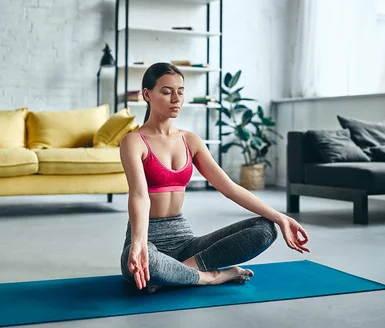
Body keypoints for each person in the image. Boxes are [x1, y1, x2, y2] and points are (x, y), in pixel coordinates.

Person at [119, 62, 310, 293]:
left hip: (186, 244)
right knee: (145, 263)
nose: (176, 98)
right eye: (167, 92)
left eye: (180, 91)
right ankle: (211, 277)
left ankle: (179, 274)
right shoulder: (134, 141)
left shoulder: (190, 140)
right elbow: (139, 195)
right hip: (148, 241)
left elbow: (229, 187)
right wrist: (138, 243)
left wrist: (280, 217)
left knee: (265, 229)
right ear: (147, 94)